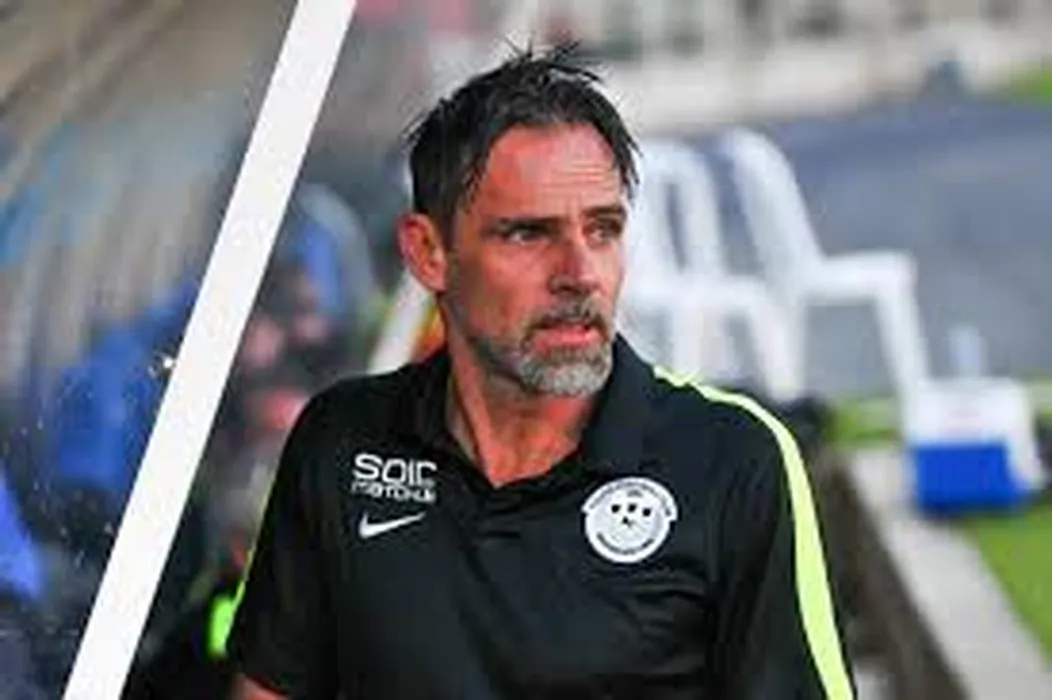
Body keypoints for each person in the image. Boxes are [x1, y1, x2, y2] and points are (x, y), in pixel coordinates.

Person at [227, 44, 857, 699]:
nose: (580, 274)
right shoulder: (341, 442)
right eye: (529, 234)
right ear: (428, 252)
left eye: (603, 230)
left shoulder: (733, 460)